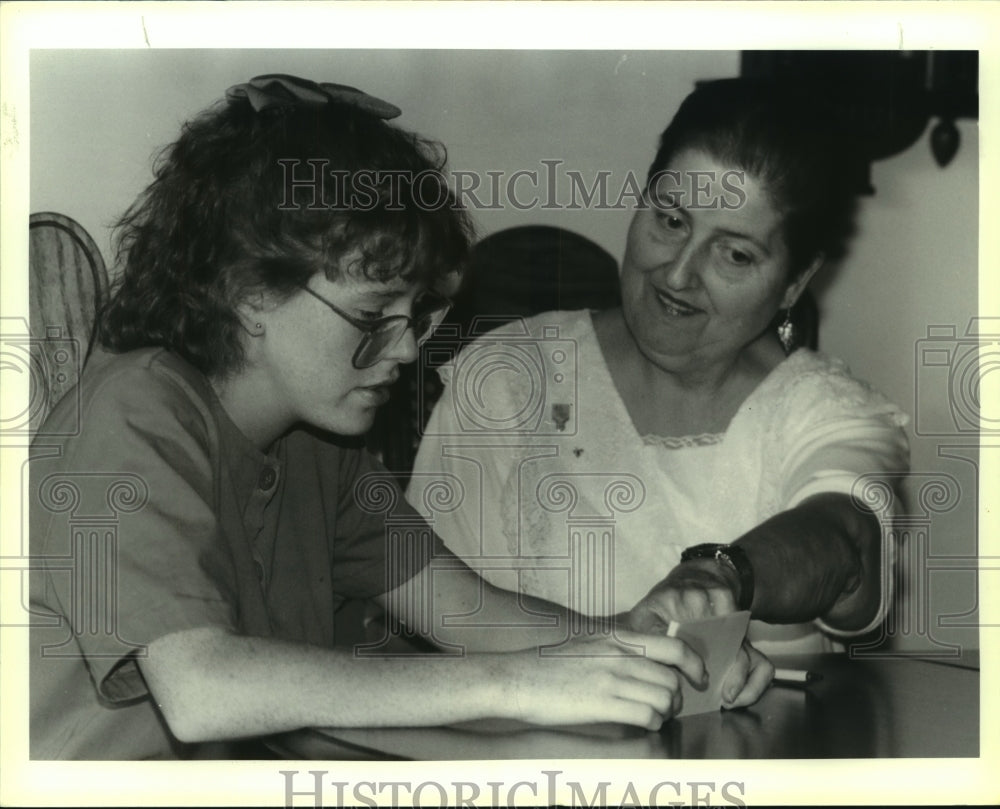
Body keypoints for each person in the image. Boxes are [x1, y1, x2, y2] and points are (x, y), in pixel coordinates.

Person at [28, 74, 773, 761]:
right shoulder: (135, 412)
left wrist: (653, 647)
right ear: (249, 291)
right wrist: (515, 684)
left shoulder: (317, 444)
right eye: (370, 314)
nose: (409, 345)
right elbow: (199, 686)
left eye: (414, 312)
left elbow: (469, 610)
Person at [408, 78, 910, 656]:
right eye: (671, 221)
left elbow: (843, 537)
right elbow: (430, 620)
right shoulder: (505, 379)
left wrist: (722, 577)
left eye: (736, 254)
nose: (677, 275)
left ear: (794, 282)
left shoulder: (828, 414)